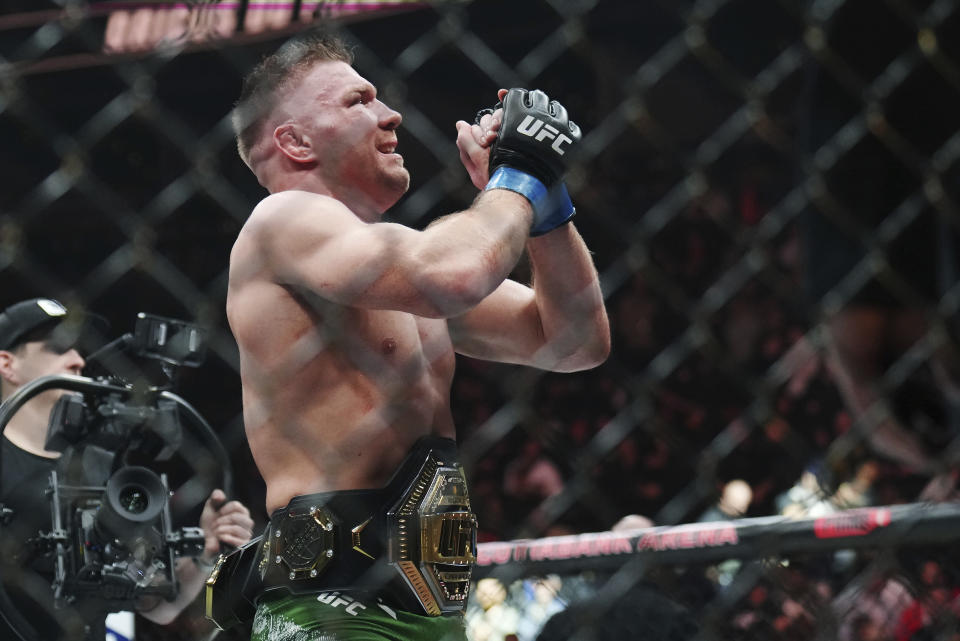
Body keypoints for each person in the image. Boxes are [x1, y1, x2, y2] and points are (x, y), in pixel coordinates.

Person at [216, 32, 609, 641]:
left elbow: (574, 342)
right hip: (332, 610)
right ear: (294, 141)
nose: (390, 112)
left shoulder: (395, 271)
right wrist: (515, 180)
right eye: (358, 100)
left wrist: (545, 201)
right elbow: (455, 274)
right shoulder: (281, 221)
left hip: (430, 612)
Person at [0, 297, 255, 640]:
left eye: (78, 349)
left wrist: (205, 553)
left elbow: (155, 600)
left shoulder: (103, 465)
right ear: (7, 364)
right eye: (58, 348)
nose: (77, 360)